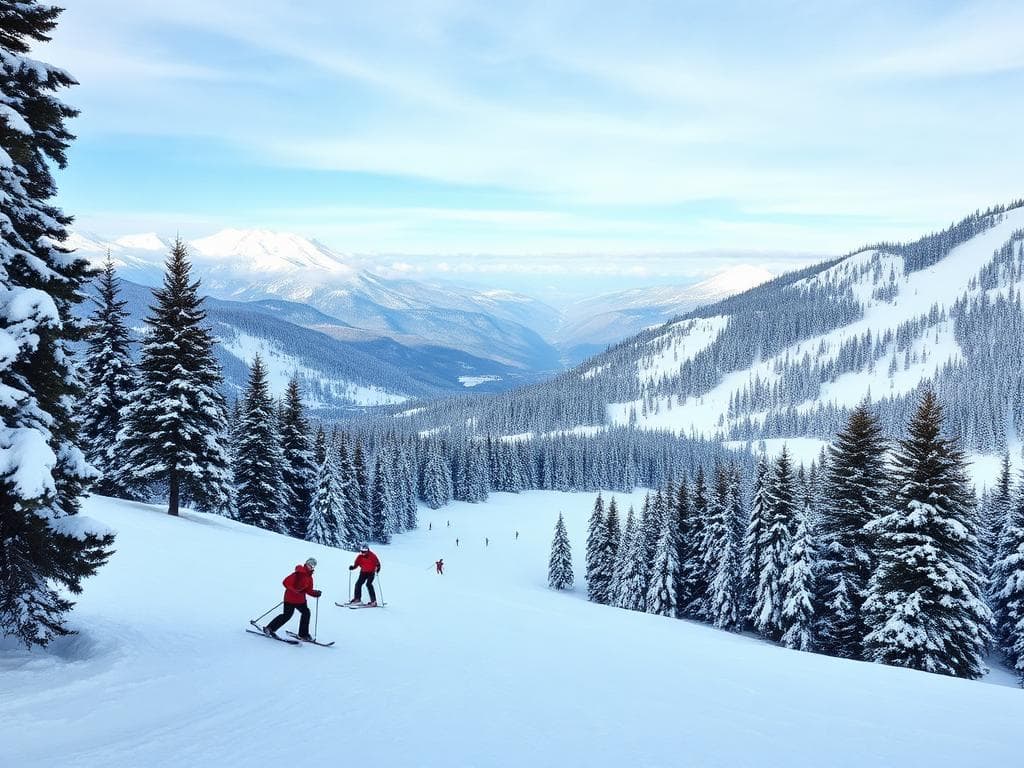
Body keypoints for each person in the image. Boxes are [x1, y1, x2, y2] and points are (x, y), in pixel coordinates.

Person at [264, 558, 321, 640]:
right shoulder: (298, 573)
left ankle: (303, 634)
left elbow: (308, 590)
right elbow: (285, 582)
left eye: (313, 565)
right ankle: (269, 628)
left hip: (300, 600)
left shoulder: (309, 578)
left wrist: (315, 593)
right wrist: (295, 591)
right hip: (290, 599)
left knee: (306, 613)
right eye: (310, 564)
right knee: (287, 616)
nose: (311, 566)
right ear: (306, 564)